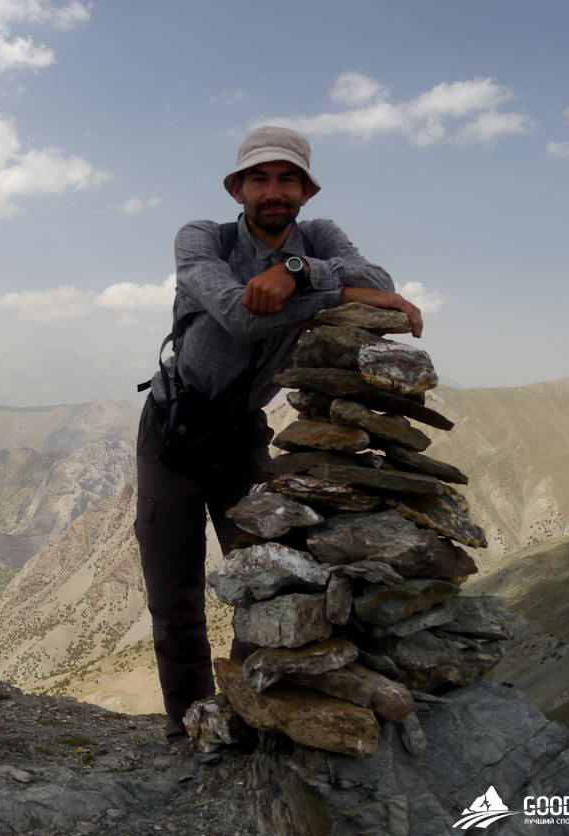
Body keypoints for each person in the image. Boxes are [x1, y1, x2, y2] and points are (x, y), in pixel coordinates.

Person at [134, 125, 423, 741]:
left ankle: (246, 713)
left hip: (242, 435)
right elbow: (237, 314)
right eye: (259, 178)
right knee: (174, 593)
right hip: (172, 432)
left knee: (262, 580)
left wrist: (296, 270)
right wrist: (338, 290)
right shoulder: (202, 238)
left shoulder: (319, 236)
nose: (273, 190)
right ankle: (187, 728)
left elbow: (381, 280)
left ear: (306, 191)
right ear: (236, 189)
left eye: (287, 178)